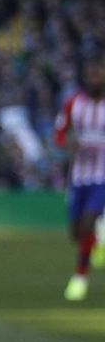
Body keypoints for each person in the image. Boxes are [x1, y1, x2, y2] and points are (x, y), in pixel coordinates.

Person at [56, 62, 105, 301]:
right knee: (76, 232)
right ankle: (98, 240)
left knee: (87, 222)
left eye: (99, 75)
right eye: (92, 74)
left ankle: (80, 276)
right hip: (78, 176)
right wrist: (68, 144)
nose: (95, 79)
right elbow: (59, 134)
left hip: (102, 175)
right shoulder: (74, 103)